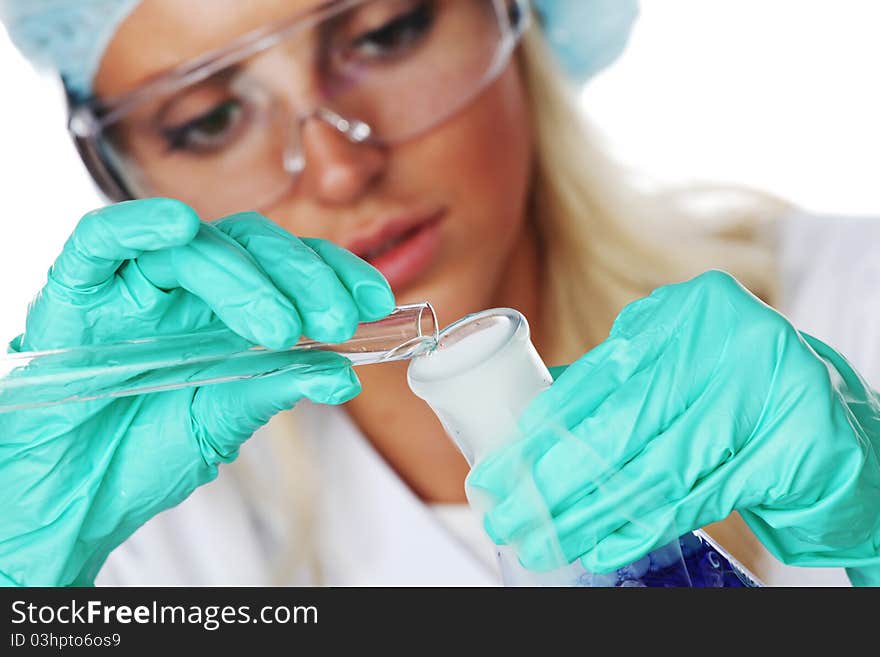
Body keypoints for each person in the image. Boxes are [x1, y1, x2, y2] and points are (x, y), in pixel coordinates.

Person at [0, 0, 877, 588]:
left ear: (517, 14)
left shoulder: (852, 299)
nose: (342, 169)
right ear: (124, 184)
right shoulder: (148, 550)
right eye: (208, 120)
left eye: (384, 32)